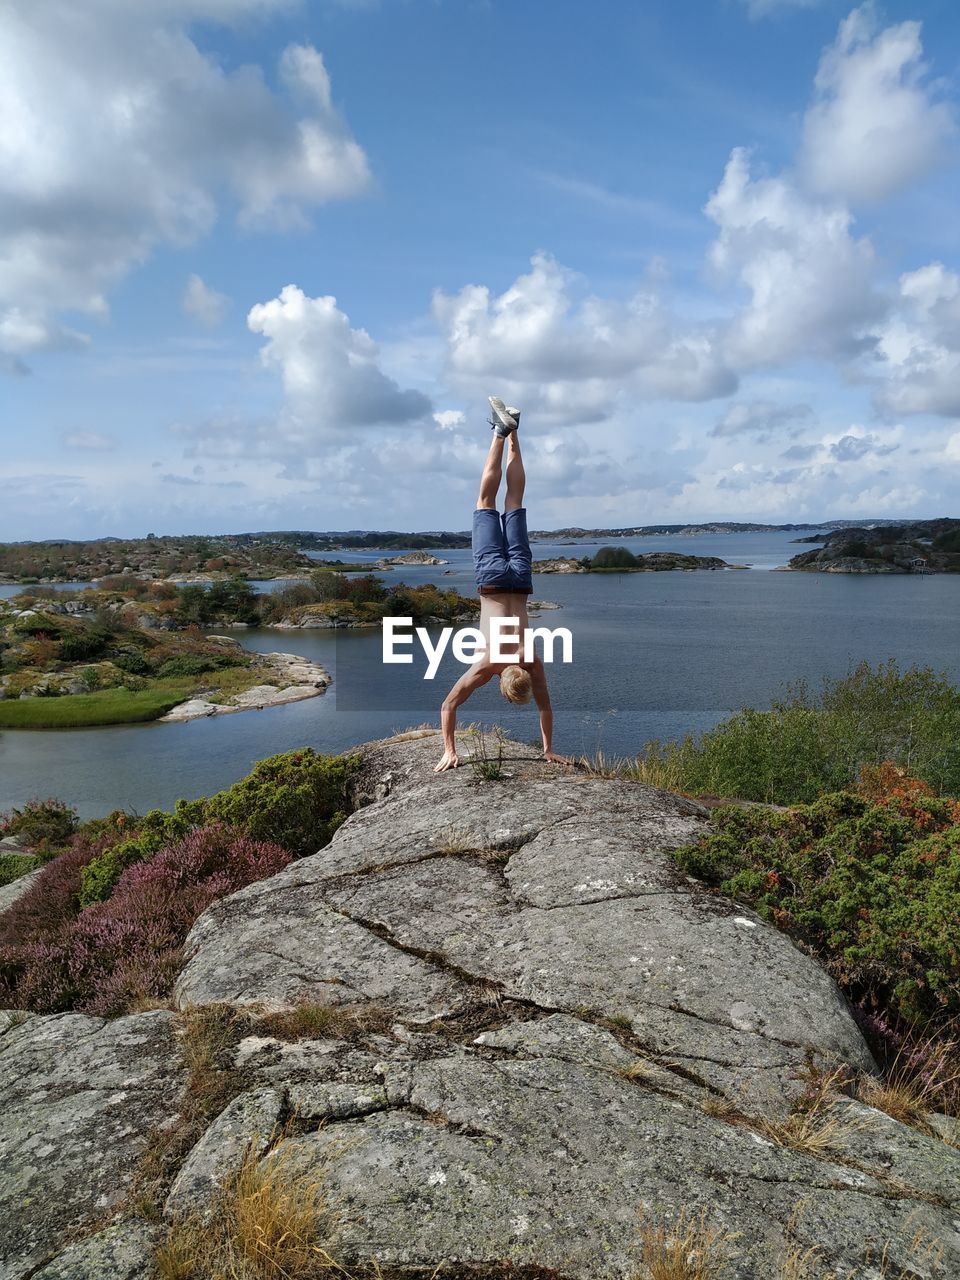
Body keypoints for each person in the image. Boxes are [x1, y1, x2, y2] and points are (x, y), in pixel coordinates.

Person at [434, 397, 573, 772]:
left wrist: (548, 748)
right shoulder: (488, 665)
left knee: (513, 501)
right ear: (504, 684)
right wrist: (450, 749)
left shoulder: (533, 662)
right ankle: (500, 432)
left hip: (521, 580)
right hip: (493, 580)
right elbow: (448, 706)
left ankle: (512, 433)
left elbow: (546, 707)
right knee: (486, 501)